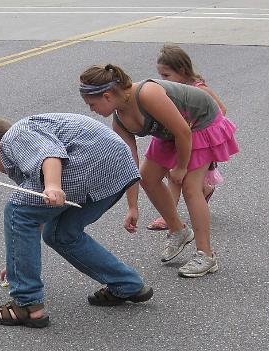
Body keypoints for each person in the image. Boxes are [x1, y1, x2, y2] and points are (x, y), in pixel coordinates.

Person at [0, 113, 153, 328]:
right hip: (117, 171)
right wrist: (19, 261)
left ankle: (27, 305)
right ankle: (128, 285)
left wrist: (52, 186)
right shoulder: (29, 136)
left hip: (89, 165)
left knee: (17, 210)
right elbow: (35, 219)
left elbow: (50, 154)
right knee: (60, 234)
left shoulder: (15, 136)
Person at [79, 64, 239, 278]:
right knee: (147, 177)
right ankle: (179, 230)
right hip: (170, 132)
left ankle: (206, 255)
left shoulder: (147, 94)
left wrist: (181, 168)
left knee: (191, 188)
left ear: (107, 96)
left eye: (92, 104)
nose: (92, 110)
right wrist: (133, 207)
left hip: (198, 124)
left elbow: (183, 131)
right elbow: (130, 163)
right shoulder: (120, 118)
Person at [147, 44, 227, 231]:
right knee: (172, 174)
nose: (163, 80)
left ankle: (170, 216)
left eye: (166, 76)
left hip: (199, 142)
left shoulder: (199, 89)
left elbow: (220, 110)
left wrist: (199, 128)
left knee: (180, 178)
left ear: (182, 71)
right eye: (161, 76)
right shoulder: (171, 90)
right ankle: (175, 210)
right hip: (178, 140)